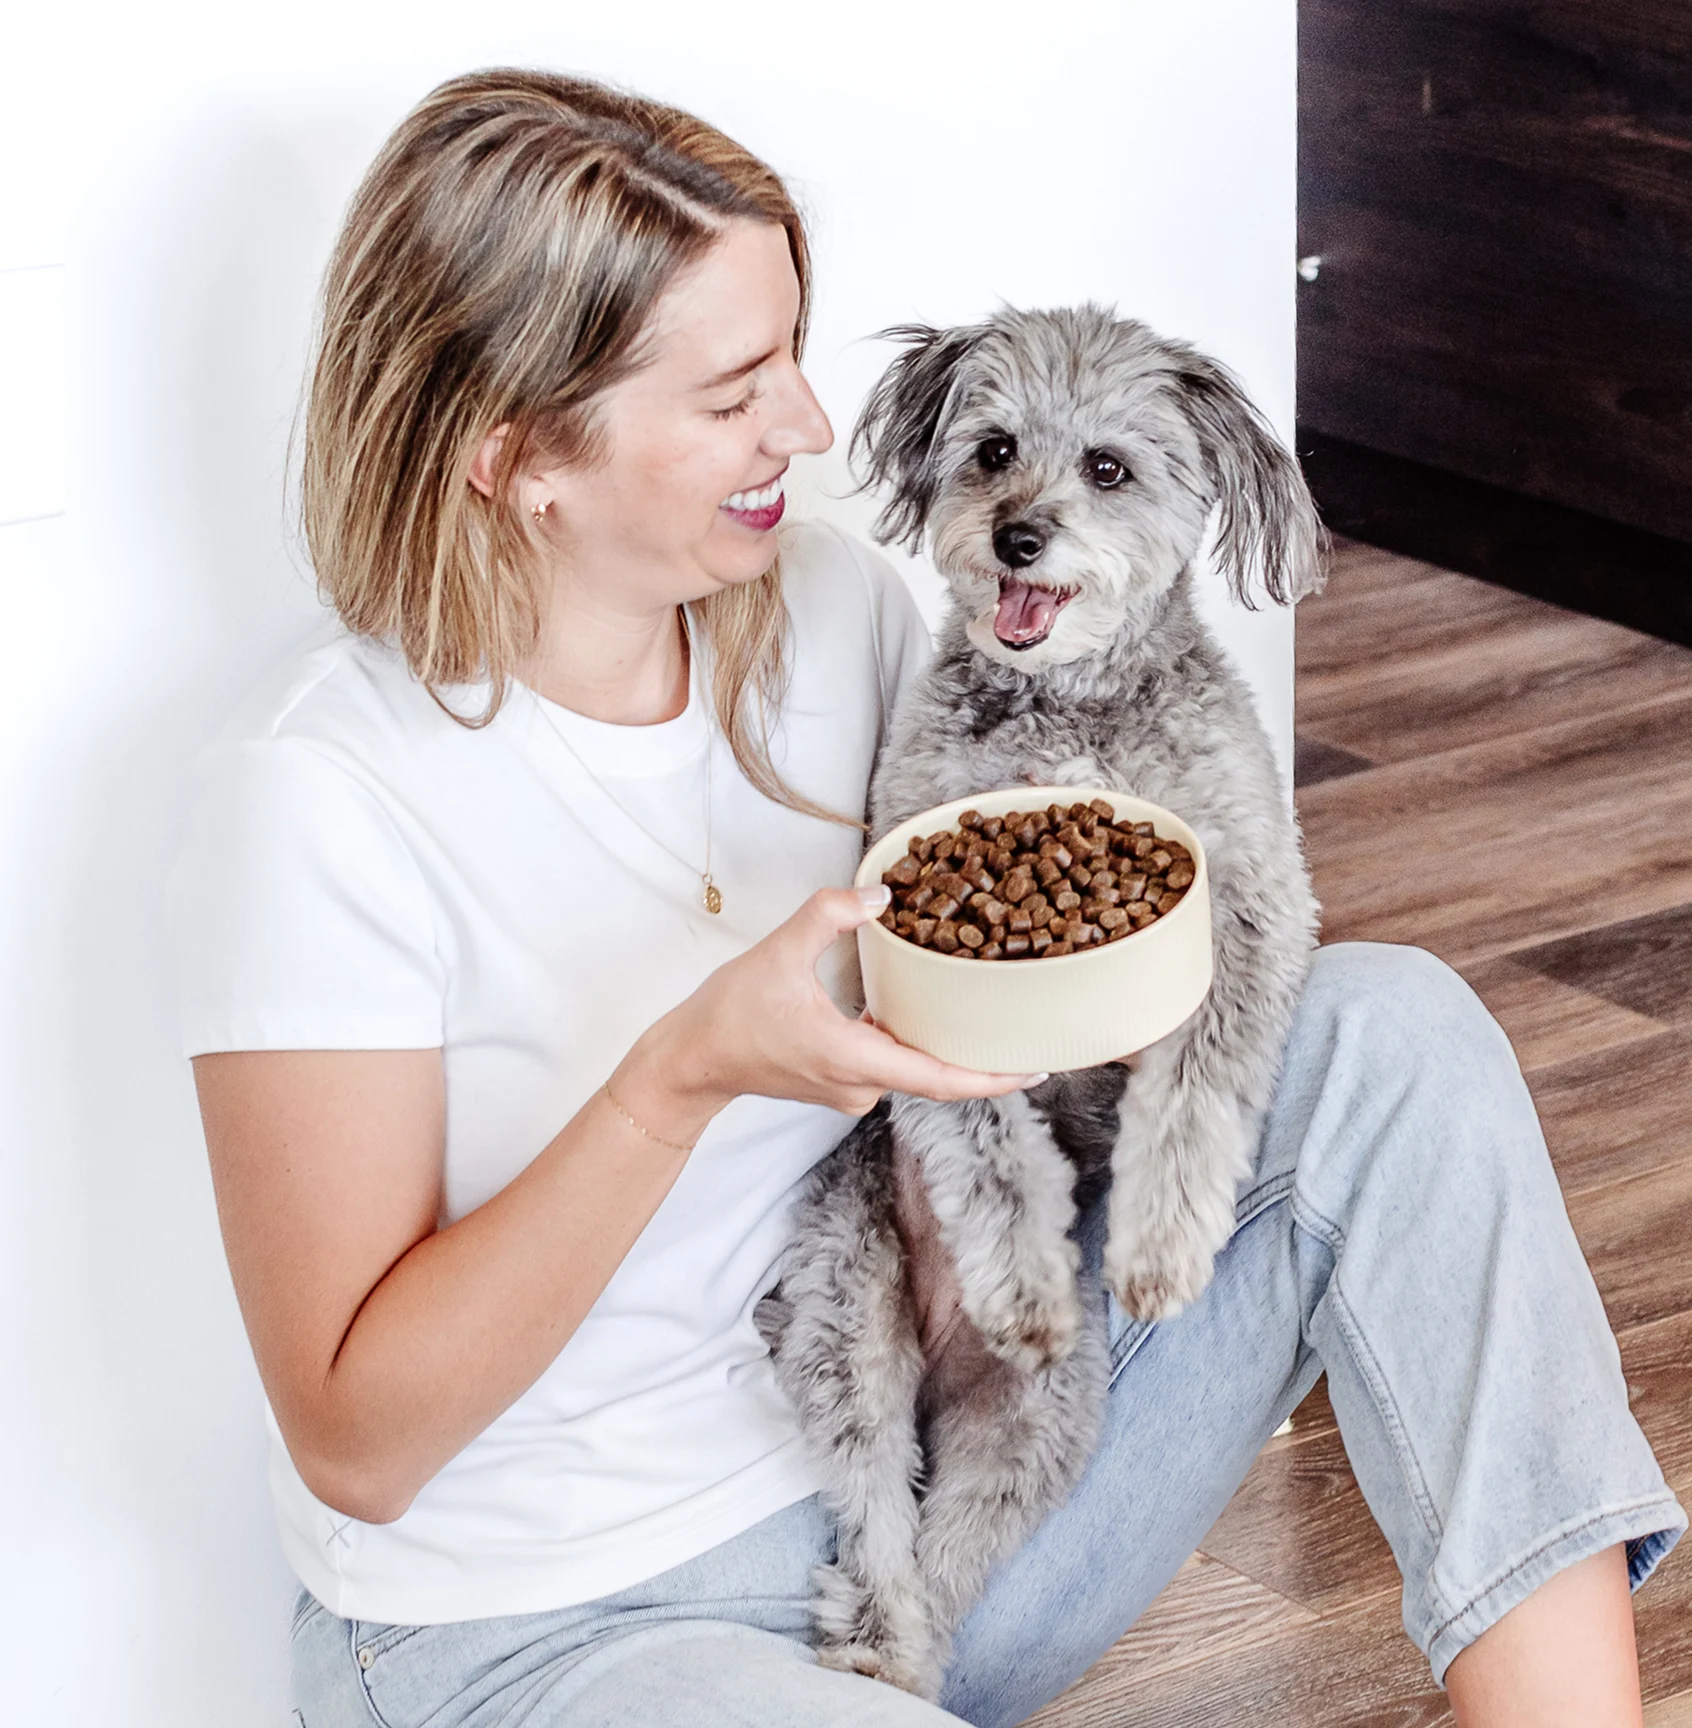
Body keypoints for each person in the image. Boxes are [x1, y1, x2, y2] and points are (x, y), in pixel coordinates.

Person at [168, 68, 1684, 1728]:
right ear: (514, 450)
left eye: (795, 363)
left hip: (962, 1502)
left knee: (1397, 1036)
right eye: (737, 391)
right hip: (555, 1631)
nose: (812, 434)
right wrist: (682, 1076)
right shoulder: (320, 796)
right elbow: (357, 1443)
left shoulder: (828, 618)